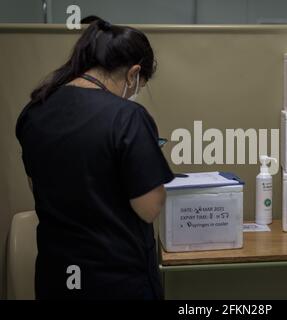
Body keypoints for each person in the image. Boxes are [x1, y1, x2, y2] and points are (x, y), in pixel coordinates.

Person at [15, 19, 174, 300]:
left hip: (57, 279)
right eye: (139, 85)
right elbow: (149, 208)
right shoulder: (128, 117)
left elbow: (36, 185)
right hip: (116, 282)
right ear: (133, 73)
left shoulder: (34, 111)